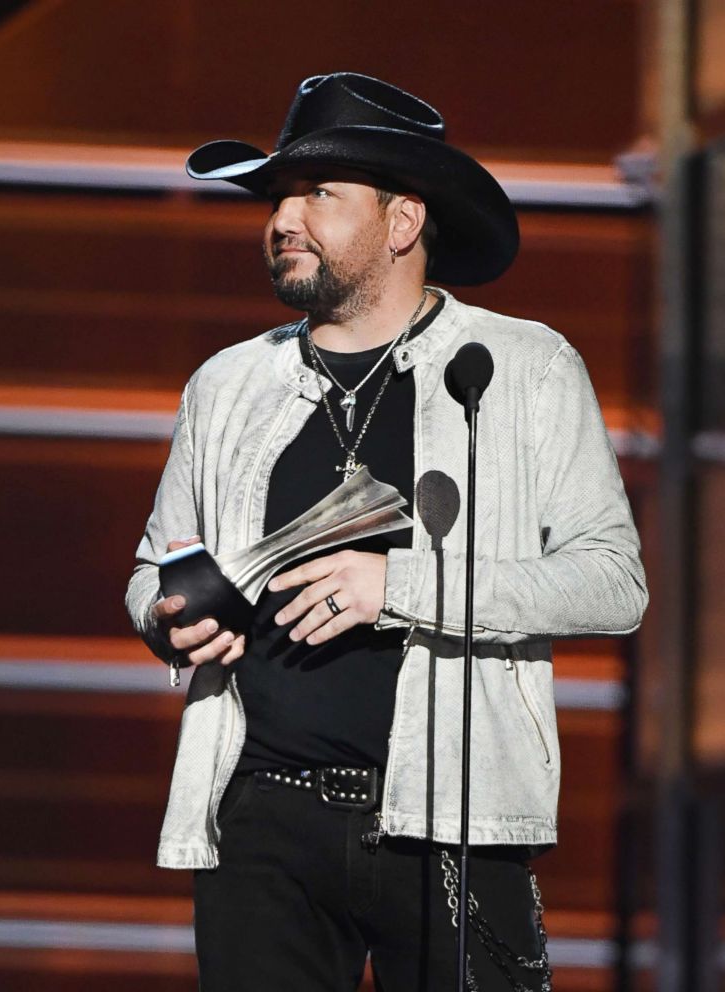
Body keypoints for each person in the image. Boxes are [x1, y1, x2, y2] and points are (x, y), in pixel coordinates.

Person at [126, 72, 648, 992]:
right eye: (277, 198)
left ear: (403, 222)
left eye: (317, 194)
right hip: (262, 822)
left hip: (453, 815)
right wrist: (168, 615)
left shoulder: (520, 368)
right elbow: (153, 564)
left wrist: (397, 586)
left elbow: (613, 583)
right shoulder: (228, 384)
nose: (284, 219)